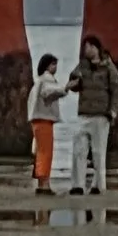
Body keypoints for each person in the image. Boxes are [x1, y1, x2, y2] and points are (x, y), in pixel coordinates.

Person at [66, 34, 118, 196]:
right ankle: (77, 185)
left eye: (89, 46)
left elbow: (116, 89)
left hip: (101, 114)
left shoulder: (109, 67)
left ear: (97, 48)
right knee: (79, 149)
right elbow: (74, 81)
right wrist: (75, 81)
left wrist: (113, 111)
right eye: (85, 47)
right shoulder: (82, 66)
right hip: (84, 113)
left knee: (98, 152)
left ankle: (98, 185)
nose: (86, 50)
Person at [28, 52, 69, 194]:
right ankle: (44, 184)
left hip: (36, 120)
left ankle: (41, 183)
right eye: (53, 64)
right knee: (46, 152)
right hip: (43, 119)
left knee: (40, 151)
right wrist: (65, 88)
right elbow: (49, 92)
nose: (55, 67)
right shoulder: (47, 80)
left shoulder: (38, 81)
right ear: (47, 65)